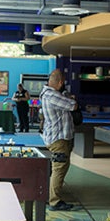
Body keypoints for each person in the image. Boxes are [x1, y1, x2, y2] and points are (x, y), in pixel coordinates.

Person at [40, 68, 77, 211]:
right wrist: (71, 99)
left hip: (59, 137)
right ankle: (54, 201)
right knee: (59, 168)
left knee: (60, 167)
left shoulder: (51, 94)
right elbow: (73, 105)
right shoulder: (51, 95)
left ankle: (52, 196)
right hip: (58, 139)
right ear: (60, 82)